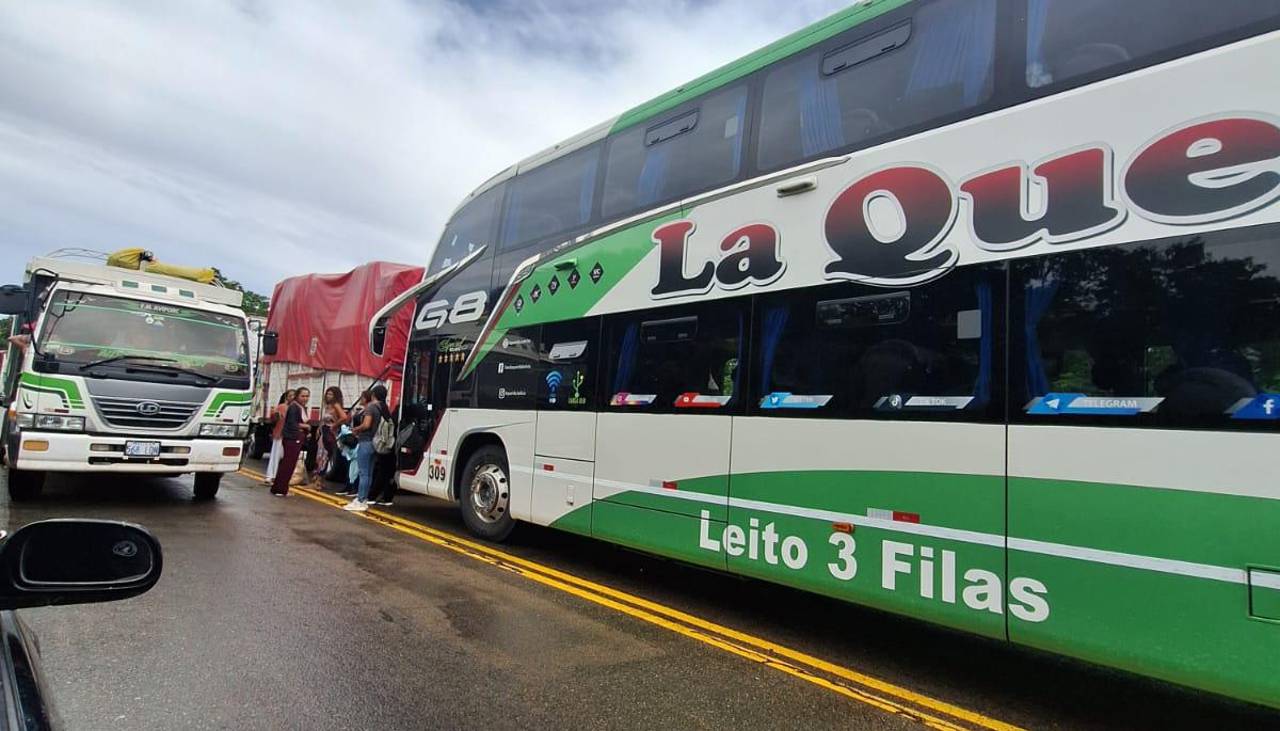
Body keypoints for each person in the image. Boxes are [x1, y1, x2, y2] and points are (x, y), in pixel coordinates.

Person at [342, 388, 384, 512]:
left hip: (366, 441)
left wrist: (355, 429)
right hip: (375, 443)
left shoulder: (371, 408)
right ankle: (364, 498)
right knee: (369, 473)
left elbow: (366, 424)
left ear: (373, 395)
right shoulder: (381, 408)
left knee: (363, 473)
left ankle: (360, 500)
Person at [271, 387, 310, 497]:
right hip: (293, 437)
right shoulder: (294, 407)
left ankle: (278, 488)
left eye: (307, 396)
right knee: (288, 464)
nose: (305, 398)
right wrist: (305, 426)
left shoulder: (300, 407)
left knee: (288, 464)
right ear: (297, 396)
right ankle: (281, 489)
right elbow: (293, 423)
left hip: (295, 437)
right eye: (303, 396)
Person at [368, 387, 397, 506]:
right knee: (388, 471)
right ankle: (387, 497)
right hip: (390, 443)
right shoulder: (386, 408)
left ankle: (372, 496)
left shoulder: (374, 407)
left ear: (373, 395)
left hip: (381, 443)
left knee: (381, 471)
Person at [263, 390, 295, 485]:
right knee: (275, 456)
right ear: (286, 397)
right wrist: (276, 415)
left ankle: (280, 477)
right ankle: (270, 476)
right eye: (290, 395)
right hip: (280, 434)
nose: (292, 397)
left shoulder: (295, 408)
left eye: (294, 395)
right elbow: (274, 418)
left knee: (285, 457)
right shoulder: (282, 407)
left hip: (290, 435)